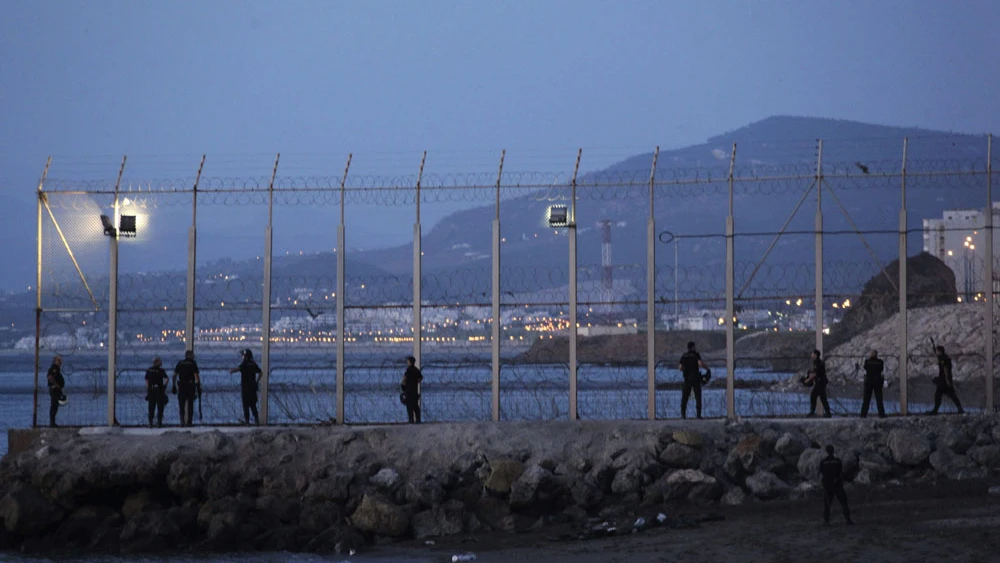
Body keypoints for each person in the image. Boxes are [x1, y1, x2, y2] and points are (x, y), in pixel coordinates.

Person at [819, 444, 853, 525]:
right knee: (844, 502)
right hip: (837, 484)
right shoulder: (837, 461)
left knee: (827, 504)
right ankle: (847, 520)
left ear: (826, 451)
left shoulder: (823, 461)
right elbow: (841, 471)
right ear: (833, 451)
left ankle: (826, 521)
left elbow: (822, 472)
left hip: (827, 485)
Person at [230, 349, 262, 425]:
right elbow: (260, 372)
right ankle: (256, 420)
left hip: (245, 388)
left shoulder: (245, 363)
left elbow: (239, 368)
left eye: (243, 355)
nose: (242, 357)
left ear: (246, 356)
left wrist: (232, 370)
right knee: (253, 405)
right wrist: (257, 381)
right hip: (253, 387)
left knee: (246, 405)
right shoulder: (253, 363)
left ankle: (247, 421)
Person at [929, 345, 964, 415]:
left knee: (939, 395)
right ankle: (959, 408)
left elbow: (946, 370)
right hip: (944, 380)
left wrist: (948, 382)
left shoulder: (944, 359)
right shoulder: (944, 358)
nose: (936, 352)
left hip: (944, 381)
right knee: (950, 395)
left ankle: (935, 410)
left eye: (937, 351)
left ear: (940, 351)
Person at [678, 341, 708, 419]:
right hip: (695, 378)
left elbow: (680, 367)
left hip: (687, 378)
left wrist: (685, 370)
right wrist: (707, 368)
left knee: (685, 397)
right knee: (698, 396)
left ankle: (683, 414)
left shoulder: (684, 356)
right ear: (693, 347)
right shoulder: (696, 355)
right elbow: (700, 364)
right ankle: (698, 415)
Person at [172, 350, 201, 426]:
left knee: (181, 404)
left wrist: (174, 385)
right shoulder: (193, 363)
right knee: (190, 404)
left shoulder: (180, 363)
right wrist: (198, 386)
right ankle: (189, 422)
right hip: (190, 385)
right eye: (193, 355)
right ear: (190, 355)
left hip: (181, 385)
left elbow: (174, 375)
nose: (194, 356)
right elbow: (196, 375)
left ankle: (182, 421)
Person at [804, 349, 831, 418]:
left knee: (816, 396)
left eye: (812, 353)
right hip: (820, 382)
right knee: (820, 397)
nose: (811, 355)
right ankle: (827, 413)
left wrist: (808, 379)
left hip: (820, 383)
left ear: (815, 355)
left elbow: (816, 373)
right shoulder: (817, 362)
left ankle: (814, 412)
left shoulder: (818, 363)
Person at [860, 349, 886, 418]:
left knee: (866, 400)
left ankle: (863, 414)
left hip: (868, 382)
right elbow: (881, 369)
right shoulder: (880, 362)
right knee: (879, 400)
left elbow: (865, 368)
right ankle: (881, 414)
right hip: (877, 382)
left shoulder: (867, 362)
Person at [144, 357, 169, 428]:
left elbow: (146, 380)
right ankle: (159, 422)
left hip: (151, 390)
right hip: (159, 390)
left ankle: (150, 423)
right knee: (160, 407)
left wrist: (148, 389)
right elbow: (167, 379)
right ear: (157, 362)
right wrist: (164, 386)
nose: (161, 363)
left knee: (151, 406)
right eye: (160, 361)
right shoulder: (161, 370)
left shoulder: (149, 370)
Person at [401, 355, 423, 424]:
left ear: (410, 362)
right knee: (415, 406)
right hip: (414, 390)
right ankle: (418, 420)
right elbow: (420, 378)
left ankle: (411, 420)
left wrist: (403, 387)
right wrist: (415, 381)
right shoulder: (416, 370)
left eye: (407, 361)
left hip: (408, 391)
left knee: (409, 407)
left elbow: (404, 380)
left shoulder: (407, 371)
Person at [46, 355, 65, 427]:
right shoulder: (54, 368)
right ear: (55, 361)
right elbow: (50, 377)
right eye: (59, 360)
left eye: (61, 360)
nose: (60, 362)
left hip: (56, 390)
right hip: (54, 389)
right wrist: (56, 385)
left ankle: (53, 422)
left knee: (55, 406)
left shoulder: (57, 368)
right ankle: (52, 423)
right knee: (54, 406)